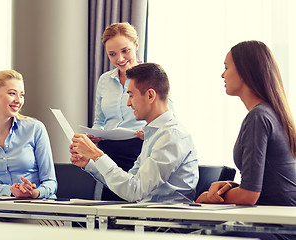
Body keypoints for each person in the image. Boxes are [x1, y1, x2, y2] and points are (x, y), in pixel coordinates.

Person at [196, 41, 296, 240]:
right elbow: (258, 186)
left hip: (278, 225)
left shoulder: (258, 117)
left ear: (244, 71)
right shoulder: (270, 113)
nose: (222, 75)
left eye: (226, 68)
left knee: (194, 236)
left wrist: (210, 196)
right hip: (276, 219)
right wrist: (231, 187)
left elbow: (249, 195)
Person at [70, 63, 198, 203]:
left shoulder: (172, 135)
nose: (128, 104)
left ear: (150, 95)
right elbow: (127, 185)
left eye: (131, 95)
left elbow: (134, 191)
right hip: (146, 219)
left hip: (163, 222)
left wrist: (96, 154)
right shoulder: (154, 134)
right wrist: (90, 162)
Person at [90, 22, 173, 200]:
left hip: (138, 147)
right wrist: (96, 133)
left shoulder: (151, 76)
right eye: (112, 54)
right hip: (108, 150)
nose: (119, 58)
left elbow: (167, 114)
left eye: (125, 51)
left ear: (136, 46)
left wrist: (148, 131)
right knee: (108, 208)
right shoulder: (104, 80)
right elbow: (100, 120)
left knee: (133, 197)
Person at [0, 70, 57, 199]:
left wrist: (35, 193)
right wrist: (11, 191)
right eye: (12, 93)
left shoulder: (35, 128)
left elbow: (51, 182)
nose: (18, 100)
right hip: (2, 212)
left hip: (39, 209)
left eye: (22, 95)